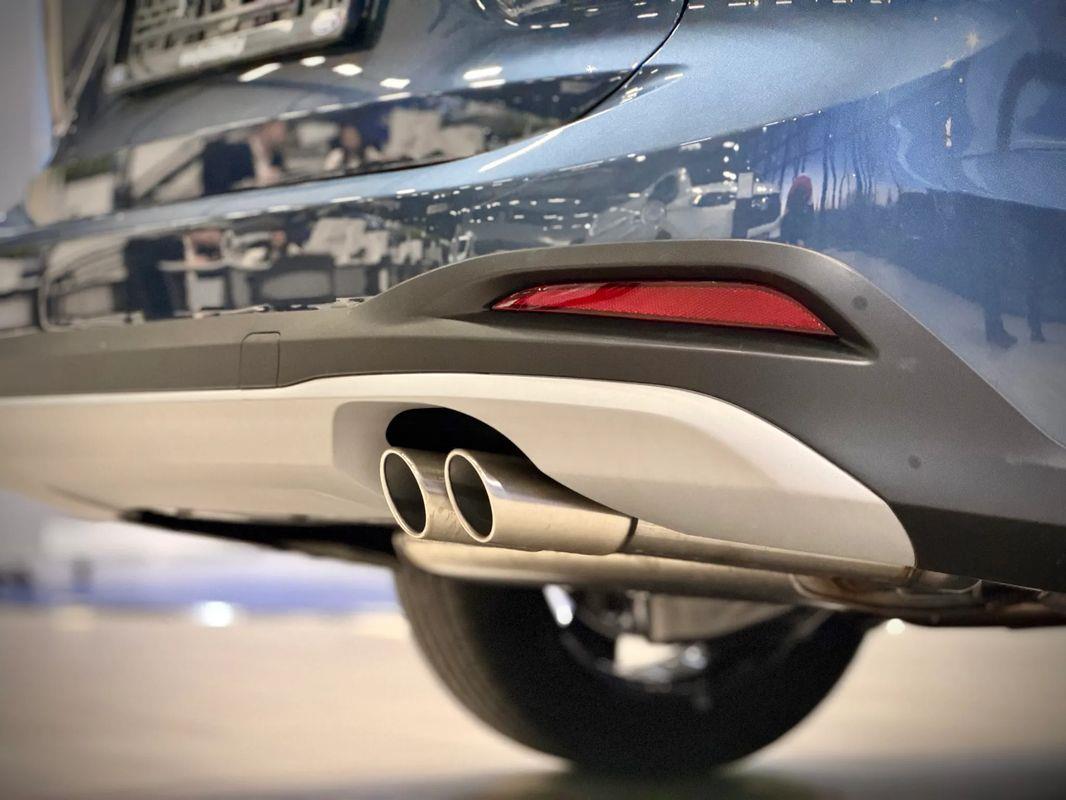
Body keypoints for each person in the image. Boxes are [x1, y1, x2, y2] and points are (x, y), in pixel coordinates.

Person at [781, 173, 814, 246]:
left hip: (792, 234)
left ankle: (789, 240)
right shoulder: (807, 195)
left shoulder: (793, 194)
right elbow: (809, 219)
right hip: (798, 234)